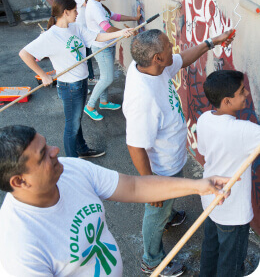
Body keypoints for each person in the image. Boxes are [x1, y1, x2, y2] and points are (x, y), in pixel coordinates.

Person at [0, 125, 231, 277]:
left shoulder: (69, 169)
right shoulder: (18, 246)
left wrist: (199, 186)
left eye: (47, 144)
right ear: (19, 181)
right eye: (43, 154)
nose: (55, 150)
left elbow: (134, 186)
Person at [122, 28, 234, 276]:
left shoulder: (154, 68)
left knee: (164, 204)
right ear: (157, 58)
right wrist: (150, 184)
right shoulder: (142, 99)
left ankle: (169, 213)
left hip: (171, 158)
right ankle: (151, 260)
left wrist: (210, 42)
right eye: (167, 46)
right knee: (155, 211)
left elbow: (183, 58)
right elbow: (135, 145)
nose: (172, 46)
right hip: (160, 169)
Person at [19, 0, 133, 159]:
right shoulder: (51, 36)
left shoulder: (75, 27)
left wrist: (121, 33)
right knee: (71, 126)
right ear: (65, 12)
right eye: (74, 10)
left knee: (76, 120)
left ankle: (82, 149)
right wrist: (44, 75)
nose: (77, 13)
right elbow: (24, 54)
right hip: (69, 87)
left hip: (81, 82)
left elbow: (97, 37)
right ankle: (73, 163)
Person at [197, 70, 260, 277]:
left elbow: (204, 151)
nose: (247, 94)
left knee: (210, 250)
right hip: (233, 211)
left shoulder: (205, 118)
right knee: (231, 265)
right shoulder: (243, 130)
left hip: (210, 201)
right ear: (227, 101)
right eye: (242, 92)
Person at [84, 0, 142, 121]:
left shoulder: (98, 5)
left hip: (107, 45)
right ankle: (89, 106)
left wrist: (134, 17)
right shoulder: (93, 7)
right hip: (101, 47)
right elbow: (108, 28)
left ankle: (103, 102)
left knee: (105, 76)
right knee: (107, 78)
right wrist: (125, 32)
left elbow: (114, 16)